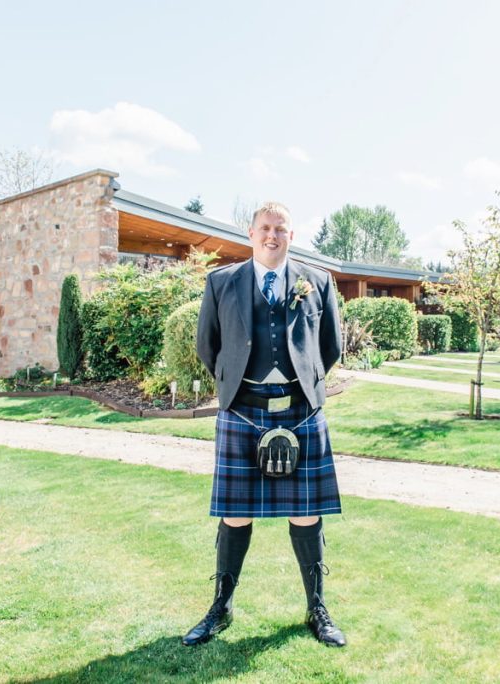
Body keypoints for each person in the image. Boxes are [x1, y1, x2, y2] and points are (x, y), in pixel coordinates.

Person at [184, 201, 346, 648]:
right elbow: (208, 345)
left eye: (280, 229)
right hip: (242, 409)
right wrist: (236, 383)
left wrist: (303, 385)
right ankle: (221, 606)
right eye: (264, 228)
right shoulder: (221, 282)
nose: (272, 235)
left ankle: (317, 607)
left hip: (301, 410)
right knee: (234, 515)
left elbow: (330, 346)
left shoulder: (318, 282)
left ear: (290, 236)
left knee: (306, 512)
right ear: (251, 234)